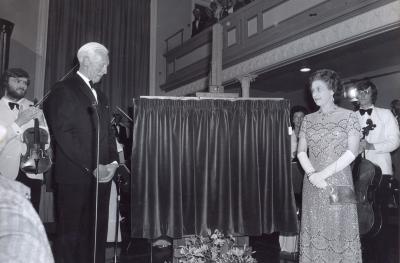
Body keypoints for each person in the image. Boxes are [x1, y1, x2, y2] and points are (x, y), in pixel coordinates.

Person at [44, 42, 119, 263]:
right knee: (71, 238)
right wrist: (93, 165)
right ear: (85, 60)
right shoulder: (63, 89)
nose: (106, 70)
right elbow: (64, 134)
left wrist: (113, 163)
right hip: (75, 177)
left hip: (102, 176)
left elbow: (109, 133)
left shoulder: (102, 96)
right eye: (103, 64)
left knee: (95, 234)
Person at [297, 69, 362, 262]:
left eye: (319, 89)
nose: (315, 94)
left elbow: (352, 152)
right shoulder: (308, 120)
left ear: (332, 90)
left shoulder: (349, 116)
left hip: (339, 183)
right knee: (315, 230)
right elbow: (301, 152)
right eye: (312, 90)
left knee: (341, 230)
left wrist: (322, 175)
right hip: (312, 184)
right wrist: (311, 174)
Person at [354, 80, 400, 263]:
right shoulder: (350, 117)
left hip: (380, 171)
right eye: (360, 92)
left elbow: (395, 141)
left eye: (366, 92)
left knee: (380, 214)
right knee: (356, 209)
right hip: (357, 171)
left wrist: (372, 145)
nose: (362, 95)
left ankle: (382, 256)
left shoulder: (385, 114)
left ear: (373, 94)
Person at [0, 68, 49, 213]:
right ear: (5, 82)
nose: (22, 85)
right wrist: (19, 122)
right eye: (17, 81)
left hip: (33, 170)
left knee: (30, 219)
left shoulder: (33, 107)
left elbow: (46, 143)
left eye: (25, 83)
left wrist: (41, 122)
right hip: (6, 172)